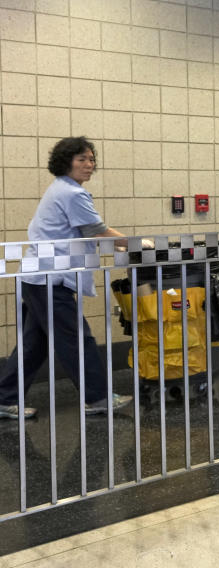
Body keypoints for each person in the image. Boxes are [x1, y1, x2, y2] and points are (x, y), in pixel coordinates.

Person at [0, 137, 134, 420]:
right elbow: (97, 231)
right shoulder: (71, 193)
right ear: (66, 162)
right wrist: (138, 245)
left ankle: (5, 398)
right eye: (81, 159)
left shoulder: (61, 189)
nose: (89, 165)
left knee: (33, 345)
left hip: (38, 278)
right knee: (76, 338)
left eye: (91, 159)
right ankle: (96, 398)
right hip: (49, 279)